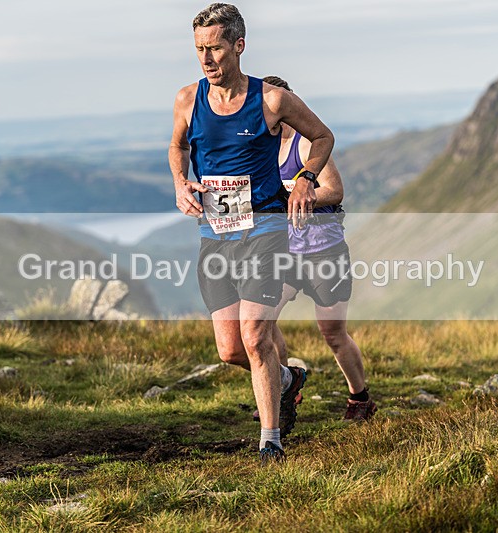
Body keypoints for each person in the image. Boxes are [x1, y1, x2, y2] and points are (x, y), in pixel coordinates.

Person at [169, 3, 335, 464]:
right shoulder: (188, 99)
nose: (207, 59)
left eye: (216, 49)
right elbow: (177, 145)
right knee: (229, 349)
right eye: (200, 49)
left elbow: (323, 137)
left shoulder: (271, 100)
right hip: (215, 232)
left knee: (256, 334)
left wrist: (304, 178)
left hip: (265, 226)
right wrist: (181, 182)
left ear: (238, 46)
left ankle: (270, 441)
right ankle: (285, 379)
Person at [235, 76, 376, 423]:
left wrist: (294, 194)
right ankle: (282, 391)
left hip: (323, 253)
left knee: (332, 333)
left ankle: (360, 399)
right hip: (283, 253)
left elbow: (335, 191)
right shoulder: (259, 150)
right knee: (262, 324)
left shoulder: (305, 144)